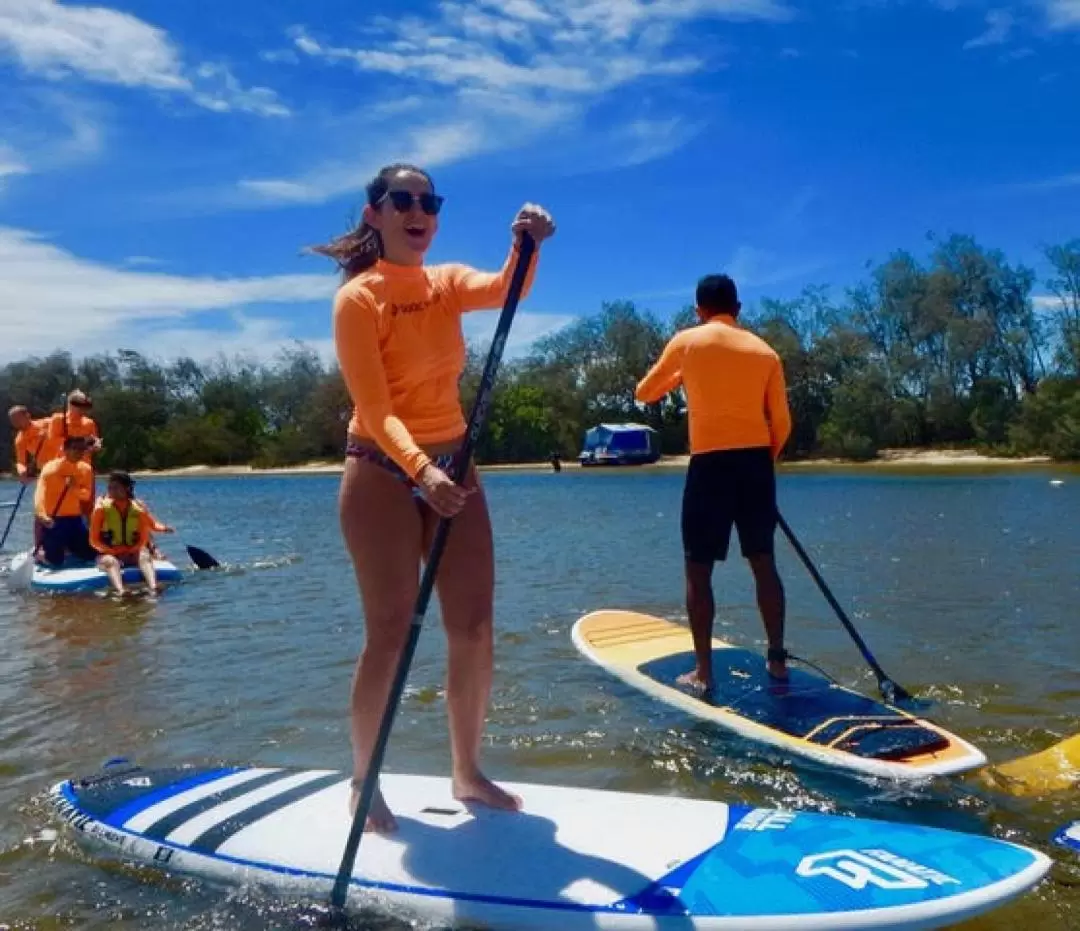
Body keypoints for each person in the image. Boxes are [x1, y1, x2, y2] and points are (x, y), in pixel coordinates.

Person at [313, 162, 555, 833]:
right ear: (375, 214)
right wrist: (421, 470)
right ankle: (364, 779)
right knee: (389, 631)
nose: (419, 210)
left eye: (429, 201)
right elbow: (375, 406)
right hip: (382, 471)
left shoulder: (444, 283)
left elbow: (508, 289)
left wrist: (527, 242)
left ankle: (467, 771)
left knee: (474, 628)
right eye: (403, 200)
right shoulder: (358, 299)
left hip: (456, 466)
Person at [635, 274, 793, 690]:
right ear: (737, 309)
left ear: (699, 310)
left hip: (709, 467)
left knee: (698, 570)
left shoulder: (688, 341)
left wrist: (680, 377)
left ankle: (704, 673)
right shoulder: (766, 352)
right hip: (756, 465)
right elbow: (783, 423)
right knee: (763, 563)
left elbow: (645, 392)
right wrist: (764, 463)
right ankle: (777, 660)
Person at [89, 471, 175, 596]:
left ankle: (153, 587)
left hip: (131, 551)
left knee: (144, 555)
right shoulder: (101, 509)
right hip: (110, 553)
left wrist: (165, 528)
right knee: (110, 562)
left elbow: (152, 524)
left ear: (127, 488)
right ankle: (121, 591)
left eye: (115, 488)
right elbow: (93, 540)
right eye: (109, 488)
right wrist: (110, 551)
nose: (111, 491)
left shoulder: (137, 508)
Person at [33, 435, 96, 567]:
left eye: (82, 449)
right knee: (55, 560)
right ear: (65, 450)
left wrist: (74, 488)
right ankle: (42, 553)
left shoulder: (86, 469)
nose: (79, 452)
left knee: (90, 554)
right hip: (54, 520)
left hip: (75, 520)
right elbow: (40, 494)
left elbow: (86, 495)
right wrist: (43, 515)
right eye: (75, 449)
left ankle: (70, 548)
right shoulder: (50, 469)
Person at [9, 405, 59, 483]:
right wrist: (22, 472)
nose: (15, 423)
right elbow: (21, 462)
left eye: (17, 419)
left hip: (65, 461)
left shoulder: (47, 423)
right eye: (13, 421)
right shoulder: (20, 440)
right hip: (49, 470)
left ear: (27, 415)